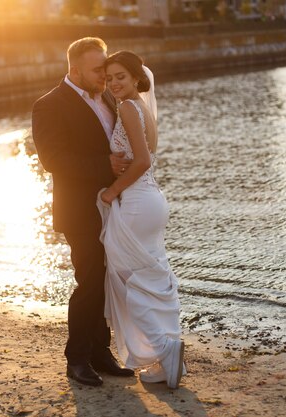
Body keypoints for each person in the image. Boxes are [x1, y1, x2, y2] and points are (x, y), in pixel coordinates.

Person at [32, 37, 134, 387]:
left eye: (105, 68)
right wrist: (104, 165)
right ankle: (76, 359)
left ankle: (101, 353)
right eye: (97, 69)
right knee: (89, 281)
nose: (104, 75)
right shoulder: (49, 104)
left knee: (106, 280)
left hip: (112, 205)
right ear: (74, 69)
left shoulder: (106, 96)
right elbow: (52, 160)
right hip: (79, 209)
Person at [97, 51, 185, 389]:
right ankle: (167, 360)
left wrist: (110, 192)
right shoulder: (143, 108)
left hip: (135, 201)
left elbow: (143, 161)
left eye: (121, 76)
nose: (114, 83)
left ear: (136, 78)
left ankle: (165, 347)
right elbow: (144, 155)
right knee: (151, 277)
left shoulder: (129, 109)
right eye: (110, 78)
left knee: (128, 279)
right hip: (151, 202)